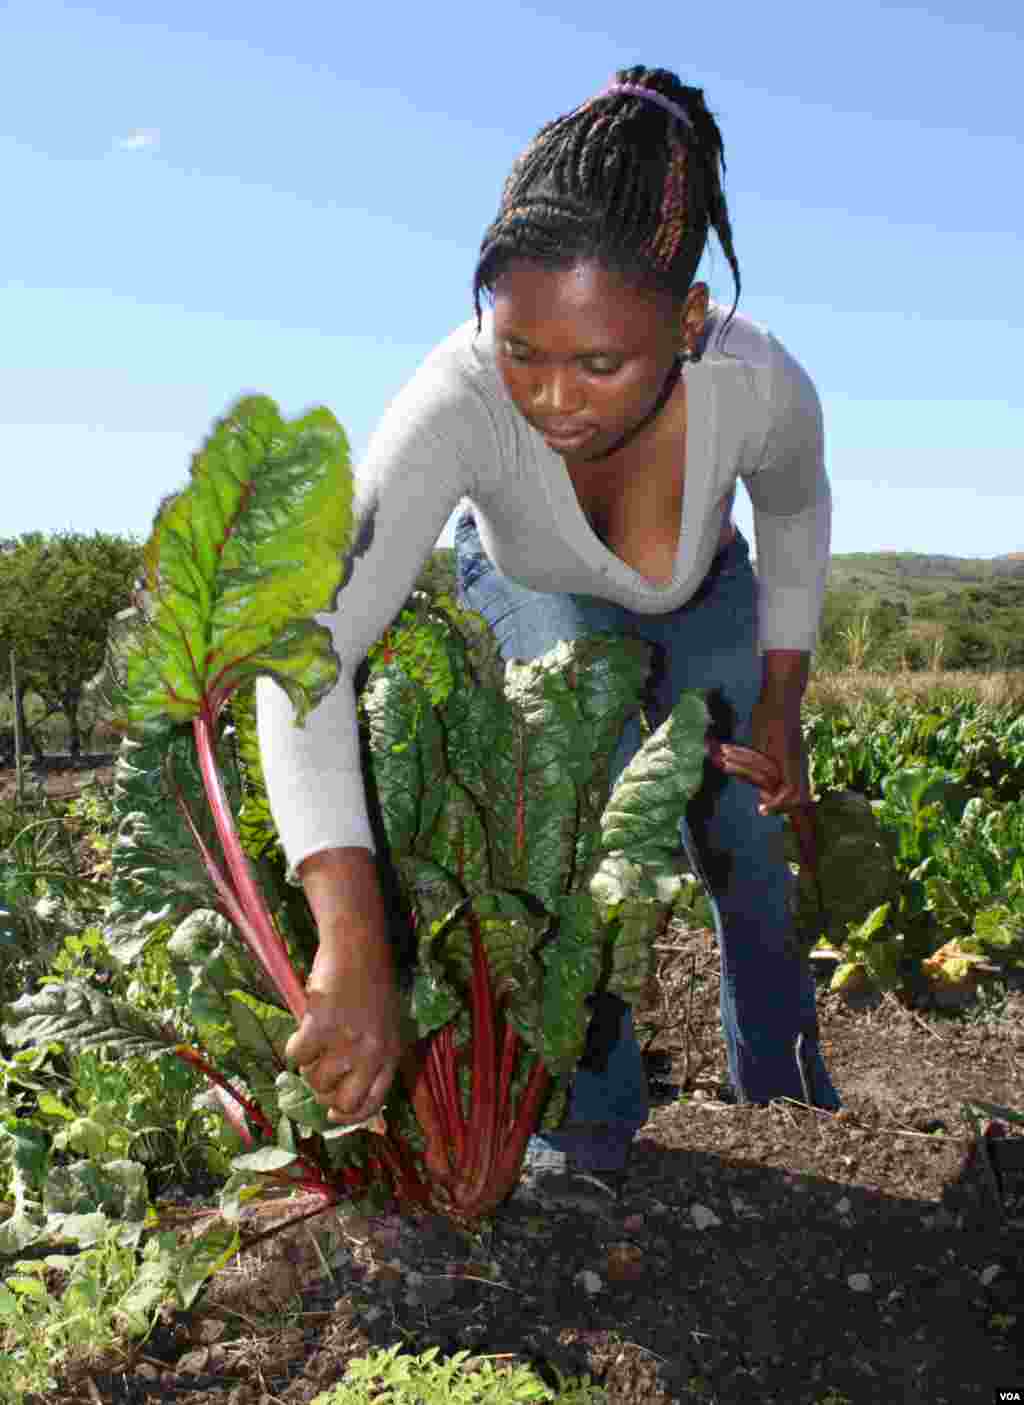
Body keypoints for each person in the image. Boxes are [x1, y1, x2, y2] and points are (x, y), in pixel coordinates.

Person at [257, 64, 840, 1190]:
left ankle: (789, 1106)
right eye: (522, 351)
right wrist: (351, 926)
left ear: (686, 320)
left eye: (599, 363)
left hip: (705, 592)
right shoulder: (453, 400)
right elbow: (309, 653)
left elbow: (795, 505)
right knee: (574, 846)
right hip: (533, 583)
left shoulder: (756, 381)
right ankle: (588, 1134)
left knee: (753, 849)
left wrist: (780, 692)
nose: (553, 399)